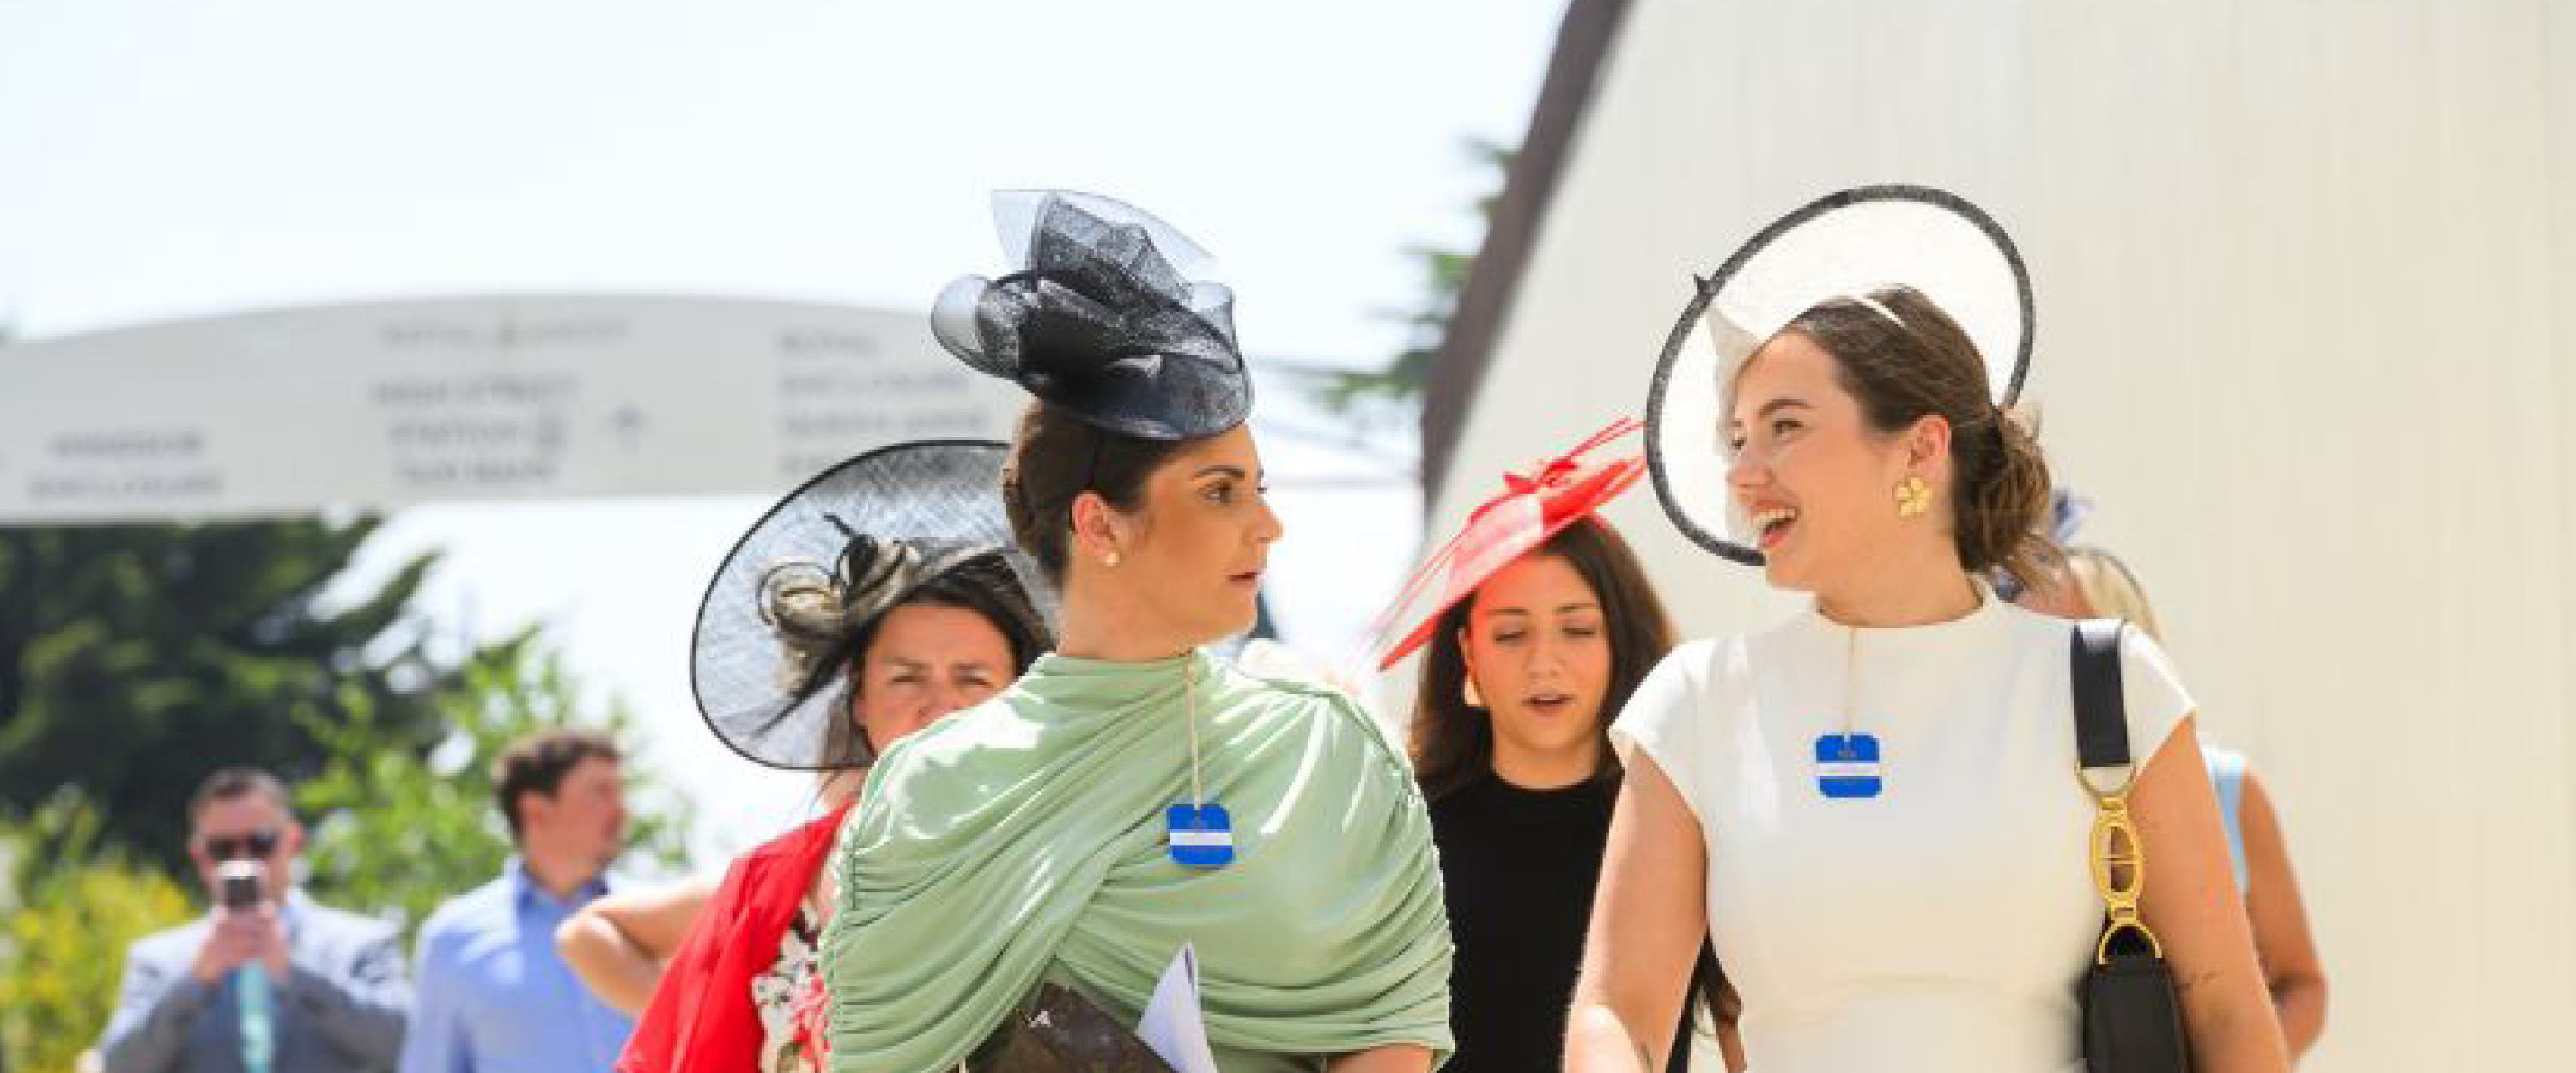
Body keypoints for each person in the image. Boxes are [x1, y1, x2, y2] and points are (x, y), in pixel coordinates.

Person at [1564, 185, 2289, 1072]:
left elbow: (2225, 1012)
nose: (1744, 473)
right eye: (1736, 438)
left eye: (1784, 428)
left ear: (1920, 447)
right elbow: (1618, 1012)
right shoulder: (1698, 701)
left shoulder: (2108, 684)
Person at [820, 191, 1453, 1073]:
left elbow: (1393, 1022)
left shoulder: (1329, 746)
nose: (1267, 526)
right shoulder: (924, 788)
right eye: (1221, 491)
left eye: (1259, 487)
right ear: (1100, 524)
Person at [557, 440, 1052, 1073]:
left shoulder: (1077, 852)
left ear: (1018, 694)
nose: (940, 706)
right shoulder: (768, 890)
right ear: (860, 699)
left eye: (972, 678)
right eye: (906, 678)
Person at [1375, 420, 1738, 1073]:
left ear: (1619, 641)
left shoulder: (1681, 821)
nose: (1545, 663)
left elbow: (1748, 1024)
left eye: (1577, 630)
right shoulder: (1400, 829)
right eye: (1512, 635)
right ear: (1467, 654)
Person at [2019, 543, 2328, 1061]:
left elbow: (2302, 983)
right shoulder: (2010, 808)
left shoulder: (2227, 787)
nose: (2048, 671)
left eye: (2070, 645)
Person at [97, 767, 410, 1073]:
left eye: (261, 842)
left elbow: (405, 1044)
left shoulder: (360, 942)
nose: (242, 859)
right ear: (199, 855)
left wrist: (294, 974)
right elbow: (119, 1065)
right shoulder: (158, 960)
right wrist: (195, 983)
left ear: (294, 840)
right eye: (222, 848)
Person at [401, 730, 635, 1073]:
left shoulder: (659, 921)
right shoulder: (452, 940)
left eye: (620, 792)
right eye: (601, 792)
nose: (621, 811)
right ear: (536, 810)